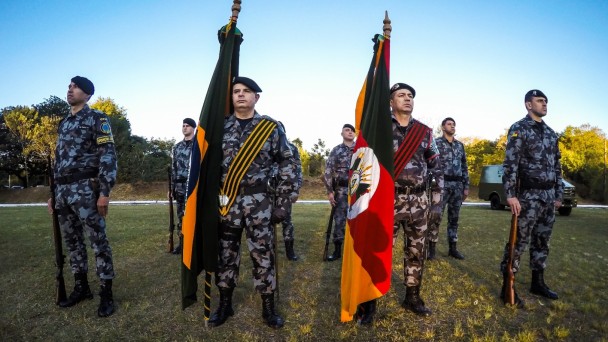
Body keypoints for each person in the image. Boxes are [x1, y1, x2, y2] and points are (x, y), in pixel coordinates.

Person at [208, 76, 297, 329]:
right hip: (227, 202)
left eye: (247, 91)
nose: (241, 95)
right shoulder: (220, 127)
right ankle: (225, 303)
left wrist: (284, 202)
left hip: (260, 203)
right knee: (226, 255)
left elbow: (287, 163)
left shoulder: (269, 127)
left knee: (263, 255)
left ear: (256, 97)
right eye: (236, 91)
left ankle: (268, 307)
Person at [47, 76, 117, 317]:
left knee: (98, 241)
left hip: (87, 188)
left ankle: (106, 292)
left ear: (87, 94)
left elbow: (107, 155)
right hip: (64, 191)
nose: (70, 89)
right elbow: (58, 161)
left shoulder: (97, 118)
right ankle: (81, 287)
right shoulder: (64, 123)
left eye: (75, 87)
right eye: (68, 86)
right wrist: (54, 193)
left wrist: (105, 192)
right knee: (73, 242)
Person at [500, 89, 563, 307]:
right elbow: (510, 164)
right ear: (528, 105)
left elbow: (557, 166)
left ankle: (538, 282)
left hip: (547, 196)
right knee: (519, 242)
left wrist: (558, 193)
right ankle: (507, 286)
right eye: (539, 101)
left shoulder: (551, 133)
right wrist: (511, 195)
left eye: (546, 101)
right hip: (527, 195)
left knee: (542, 241)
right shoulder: (519, 129)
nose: (544, 104)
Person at [390, 82, 443, 316]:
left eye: (410, 95)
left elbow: (436, 165)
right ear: (391, 102)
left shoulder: (424, 131)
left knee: (416, 251)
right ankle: (369, 299)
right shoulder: (380, 129)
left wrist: (437, 198)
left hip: (419, 201)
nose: (407, 98)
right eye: (401, 95)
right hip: (388, 200)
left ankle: (412, 297)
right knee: (380, 250)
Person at [427, 117, 469, 260]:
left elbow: (464, 167)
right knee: (436, 216)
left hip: (457, 186)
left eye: (454, 124)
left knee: (454, 218)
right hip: (441, 185)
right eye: (449, 124)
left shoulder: (460, 146)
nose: (452, 126)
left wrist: (466, 186)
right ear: (443, 127)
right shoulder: (436, 143)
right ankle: (431, 249)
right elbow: (430, 163)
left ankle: (453, 248)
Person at [323, 124, 356, 261]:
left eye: (352, 130)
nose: (350, 132)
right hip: (341, 191)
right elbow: (328, 171)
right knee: (340, 220)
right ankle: (337, 251)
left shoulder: (360, 150)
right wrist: (330, 192)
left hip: (357, 191)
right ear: (341, 133)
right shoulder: (336, 150)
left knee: (357, 220)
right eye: (347, 130)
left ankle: (355, 252)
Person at [169, 118, 196, 254]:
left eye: (188, 126)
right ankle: (183, 244)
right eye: (183, 126)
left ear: (193, 128)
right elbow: (174, 168)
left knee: (195, 215)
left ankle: (195, 244)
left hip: (192, 187)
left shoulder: (198, 145)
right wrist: (171, 188)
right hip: (179, 187)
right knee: (181, 217)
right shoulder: (177, 147)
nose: (185, 128)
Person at [277, 125, 303, 261]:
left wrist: (296, 189)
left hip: (285, 191)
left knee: (286, 221)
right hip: (266, 191)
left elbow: (297, 169)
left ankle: (290, 251)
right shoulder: (264, 145)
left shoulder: (291, 148)